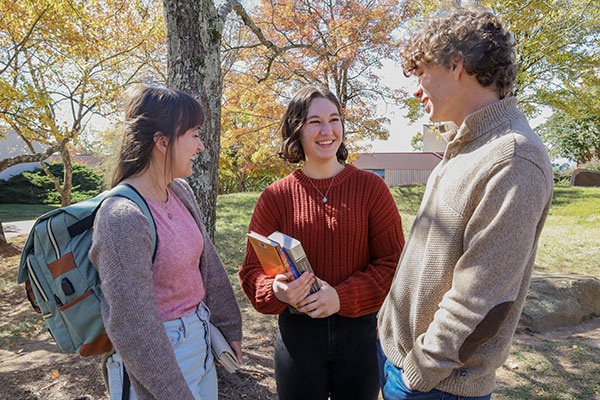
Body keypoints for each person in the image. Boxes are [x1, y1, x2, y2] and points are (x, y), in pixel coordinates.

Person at [377, 6, 554, 400]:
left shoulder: (512, 158)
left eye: (422, 71)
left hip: (436, 385)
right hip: (400, 360)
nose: (416, 88)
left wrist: (418, 373)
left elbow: (483, 300)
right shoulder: (465, 144)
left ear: (457, 64)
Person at [238, 85, 405, 400]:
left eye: (334, 119)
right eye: (315, 122)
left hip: (361, 336)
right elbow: (251, 271)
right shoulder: (276, 197)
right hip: (298, 340)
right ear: (296, 130)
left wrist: (341, 297)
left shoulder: (372, 189)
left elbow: (394, 264)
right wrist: (276, 291)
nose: (327, 130)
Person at [89, 84, 242, 400]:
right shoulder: (122, 217)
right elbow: (132, 325)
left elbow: (207, 263)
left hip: (198, 340)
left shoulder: (180, 192)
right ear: (162, 142)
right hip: (158, 357)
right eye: (194, 135)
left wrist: (228, 326)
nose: (200, 146)